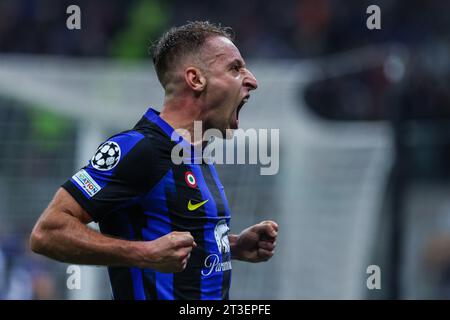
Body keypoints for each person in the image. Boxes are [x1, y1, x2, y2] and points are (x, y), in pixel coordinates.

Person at [30, 21, 278, 300]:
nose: (252, 80)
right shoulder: (140, 149)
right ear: (195, 79)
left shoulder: (193, 154)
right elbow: (48, 232)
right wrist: (144, 254)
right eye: (235, 68)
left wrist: (230, 247)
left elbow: (169, 239)